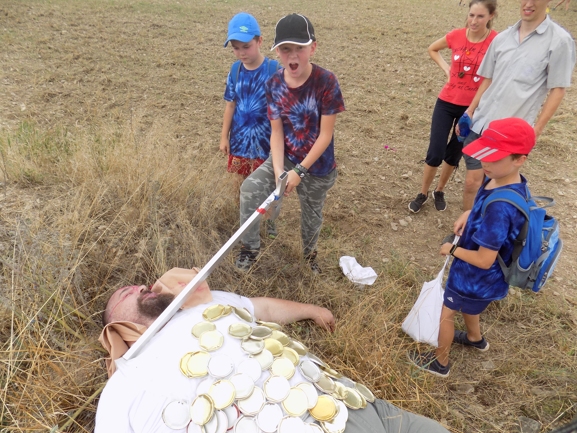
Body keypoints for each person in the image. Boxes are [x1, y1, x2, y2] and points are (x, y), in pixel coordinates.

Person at [95, 267, 449, 433]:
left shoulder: (205, 302)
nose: (141, 287)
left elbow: (261, 308)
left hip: (356, 402)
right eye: (128, 294)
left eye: (141, 283)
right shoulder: (124, 383)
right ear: (114, 326)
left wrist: (312, 310)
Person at [408, 118, 535, 377]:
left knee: (447, 312)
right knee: (470, 305)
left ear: (519, 159)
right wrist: (469, 213)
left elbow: (484, 260)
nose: (485, 164)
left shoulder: (501, 209)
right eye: (484, 156)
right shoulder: (505, 180)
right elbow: (485, 196)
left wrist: (451, 250)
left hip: (475, 274)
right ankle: (476, 339)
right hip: (486, 281)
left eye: (494, 158)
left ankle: (440, 363)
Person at [235, 13, 345, 274]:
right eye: (286, 50)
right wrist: (278, 172)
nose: (293, 56)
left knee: (311, 217)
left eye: (300, 49)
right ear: (277, 52)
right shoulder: (274, 84)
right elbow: (276, 133)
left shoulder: (326, 82)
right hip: (286, 158)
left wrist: (299, 172)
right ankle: (249, 249)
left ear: (313, 48)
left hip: (317, 166)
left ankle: (310, 258)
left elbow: (325, 135)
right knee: (250, 189)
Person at [456, 0, 575, 211]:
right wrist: (470, 111)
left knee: (496, 187)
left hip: (508, 134)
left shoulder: (559, 41)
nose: (528, 4)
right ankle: (467, 232)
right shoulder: (502, 38)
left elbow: (558, 89)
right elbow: (488, 78)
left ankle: (486, 234)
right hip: (481, 124)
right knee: (472, 183)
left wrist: (536, 130)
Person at [409, 0, 497, 214]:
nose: (474, 21)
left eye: (480, 16)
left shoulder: (496, 41)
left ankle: (439, 191)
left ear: (491, 17)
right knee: (435, 153)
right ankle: (422, 193)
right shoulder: (456, 35)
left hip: (473, 109)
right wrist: (447, 70)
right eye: (471, 15)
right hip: (446, 103)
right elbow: (432, 49)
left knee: (453, 154)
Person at [220, 13, 280, 238]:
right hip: (239, 143)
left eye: (246, 46)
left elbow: (282, 112)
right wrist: (224, 137)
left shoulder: (274, 71)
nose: (241, 53)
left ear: (260, 41)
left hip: (267, 145)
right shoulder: (235, 72)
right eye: (235, 48)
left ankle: (269, 224)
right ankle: (244, 221)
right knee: (240, 185)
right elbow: (230, 106)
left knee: (269, 189)